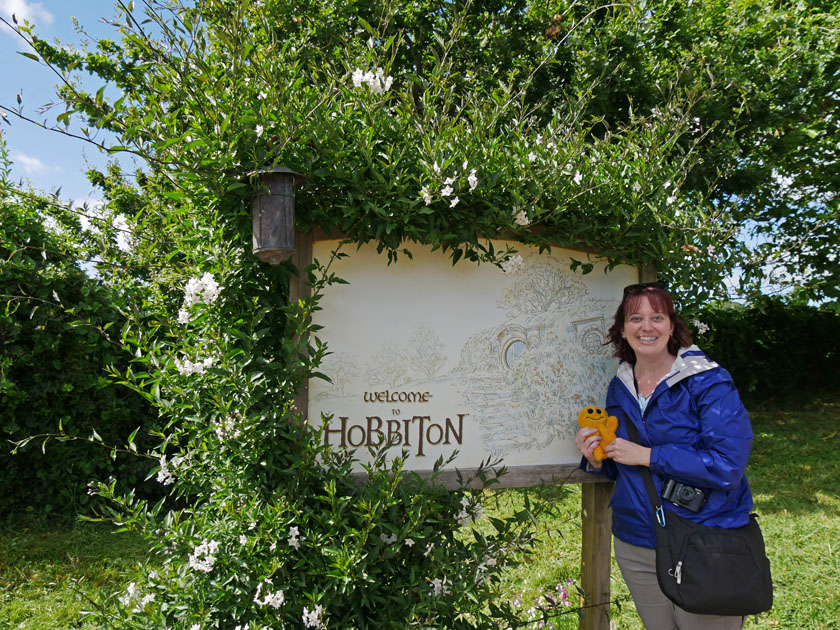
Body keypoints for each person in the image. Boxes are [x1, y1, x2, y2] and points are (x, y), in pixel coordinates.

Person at [575, 282, 754, 630]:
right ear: (623, 329)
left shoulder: (708, 382)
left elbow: (727, 466)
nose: (647, 327)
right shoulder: (620, 386)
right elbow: (622, 464)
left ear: (672, 326)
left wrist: (649, 455)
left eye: (657, 317)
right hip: (636, 541)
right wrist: (597, 460)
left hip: (703, 539)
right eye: (635, 318)